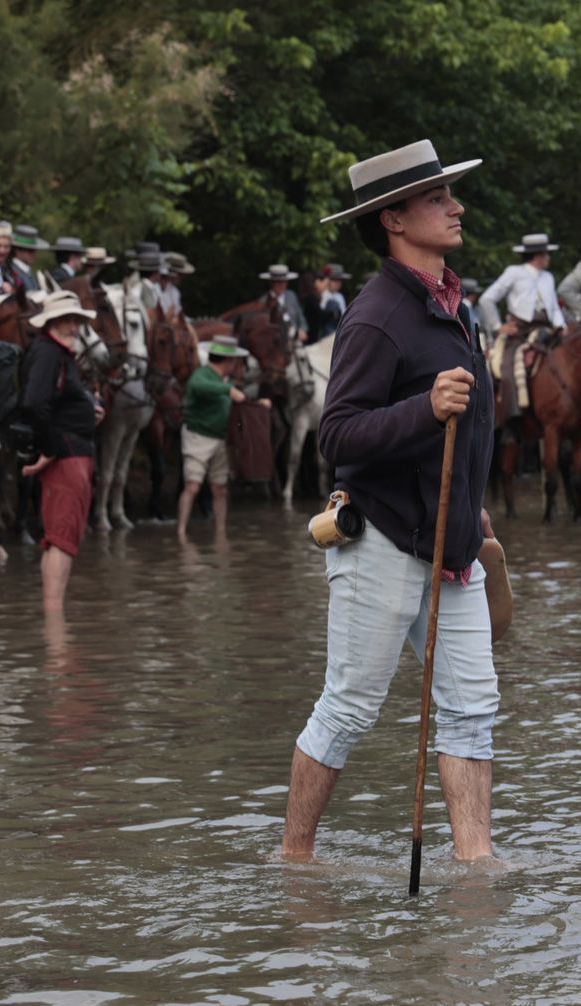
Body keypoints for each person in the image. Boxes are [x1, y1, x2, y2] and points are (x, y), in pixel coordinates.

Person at [283, 138, 497, 864]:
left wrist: (474, 508)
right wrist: (425, 410)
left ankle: (475, 867)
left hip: (452, 545)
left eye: (448, 194)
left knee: (472, 710)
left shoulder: (456, 308)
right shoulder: (375, 315)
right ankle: (294, 861)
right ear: (394, 221)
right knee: (348, 709)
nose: (455, 207)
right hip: (380, 541)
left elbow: (469, 434)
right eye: (437, 199)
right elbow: (337, 436)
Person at [19, 290, 104, 612]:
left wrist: (89, 408)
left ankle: (56, 619)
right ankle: (55, 626)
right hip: (66, 455)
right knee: (61, 537)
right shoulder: (47, 353)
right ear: (50, 323)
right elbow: (34, 403)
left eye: (76, 320)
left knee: (65, 536)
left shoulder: (60, 354)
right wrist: (49, 449)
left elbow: (55, 401)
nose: (73, 327)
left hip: (75, 451)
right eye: (66, 320)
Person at [176, 336, 263, 539]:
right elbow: (198, 387)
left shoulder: (226, 381)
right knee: (193, 486)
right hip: (198, 437)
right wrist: (228, 390)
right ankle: (181, 532)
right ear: (228, 361)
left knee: (220, 488)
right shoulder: (202, 375)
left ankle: (220, 532)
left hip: (220, 439)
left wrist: (258, 404)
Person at [480, 232, 564, 418]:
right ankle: (512, 417)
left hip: (546, 330)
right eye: (546, 254)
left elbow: (554, 307)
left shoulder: (548, 277)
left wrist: (561, 325)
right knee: (507, 367)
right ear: (538, 255)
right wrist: (497, 326)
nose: (548, 258)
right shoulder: (514, 273)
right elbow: (487, 299)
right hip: (519, 331)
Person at [259, 264, 309, 342]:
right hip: (277, 344)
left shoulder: (291, 296)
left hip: (296, 342)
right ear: (271, 283)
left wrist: (303, 330)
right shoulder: (264, 302)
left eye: (284, 281)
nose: (281, 285)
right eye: (278, 282)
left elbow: (301, 317)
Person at [314, 263, 350, 339]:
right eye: (334, 280)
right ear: (328, 281)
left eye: (339, 280)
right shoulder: (323, 295)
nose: (337, 283)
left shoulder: (340, 296)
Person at [8, 224, 46, 292]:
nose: (34, 254)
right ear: (17, 250)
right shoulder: (10, 271)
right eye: (30, 250)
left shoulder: (30, 273)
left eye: (35, 250)